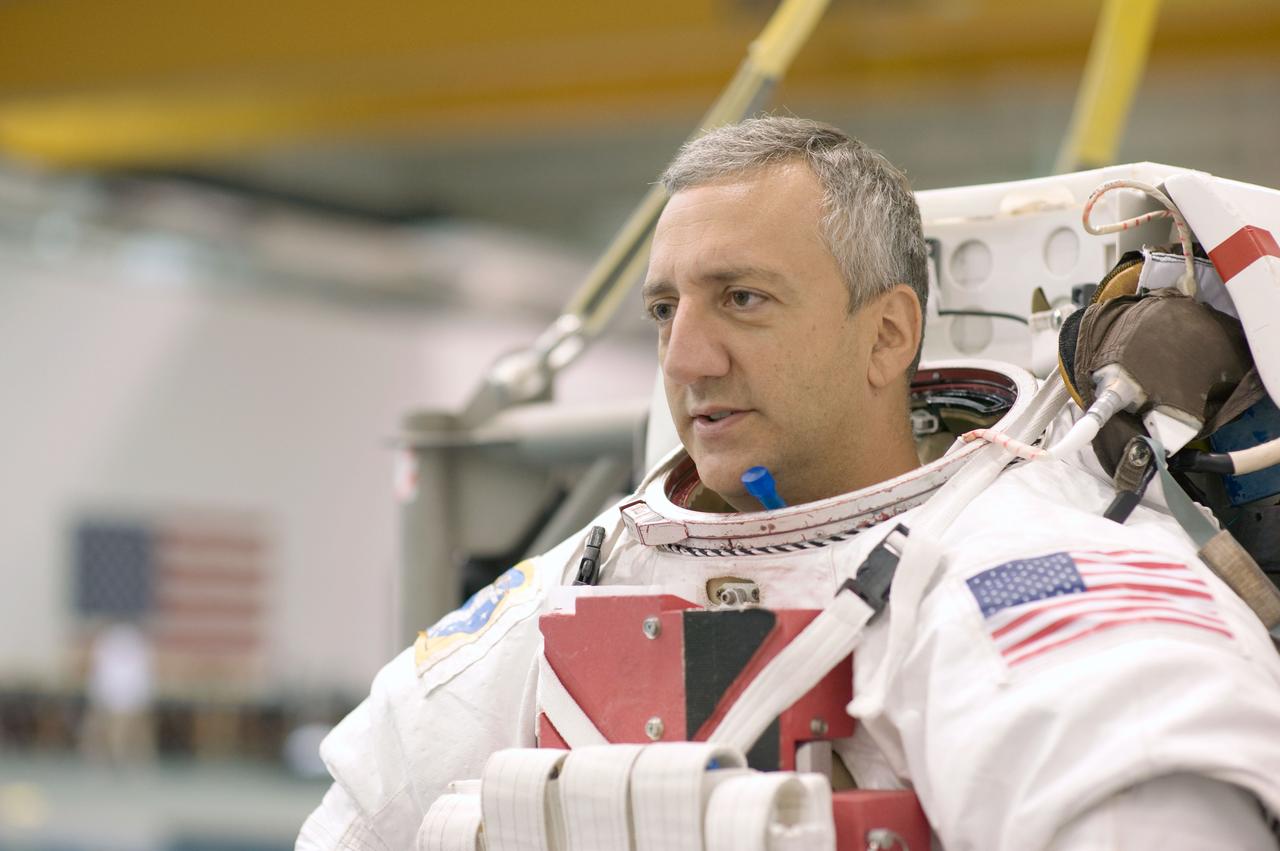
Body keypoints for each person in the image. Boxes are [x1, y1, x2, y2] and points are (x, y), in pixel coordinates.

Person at [298, 117, 1280, 850]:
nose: (685, 356)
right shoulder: (585, 575)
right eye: (662, 307)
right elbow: (357, 814)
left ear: (887, 332)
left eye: (741, 298)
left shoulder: (1026, 564)